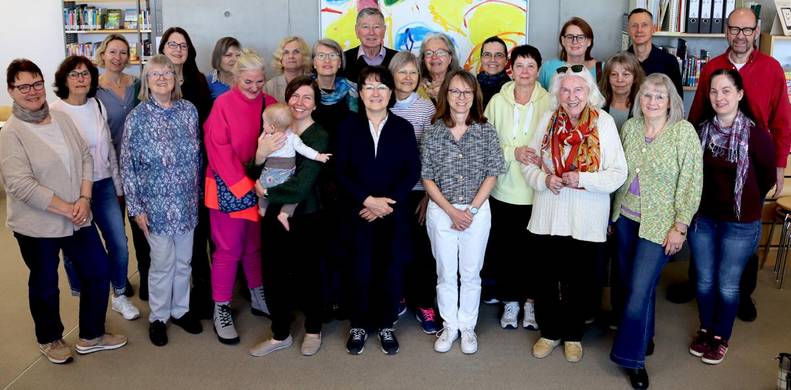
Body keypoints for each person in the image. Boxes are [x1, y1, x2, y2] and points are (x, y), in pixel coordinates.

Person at [0, 58, 127, 364]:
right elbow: (20, 185)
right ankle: (50, 338)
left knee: (98, 271)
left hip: (78, 217)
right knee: (45, 283)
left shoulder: (60, 119)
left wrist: (84, 199)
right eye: (24, 86)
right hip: (37, 225)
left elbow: (84, 156)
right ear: (11, 90)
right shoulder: (11, 134)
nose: (32, 91)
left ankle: (91, 335)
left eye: (37, 83)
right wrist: (67, 207)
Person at [672, 8, 791, 321]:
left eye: (747, 30)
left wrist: (778, 163)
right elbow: (697, 112)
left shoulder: (772, 68)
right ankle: (698, 283)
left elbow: (781, 120)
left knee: (743, 228)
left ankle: (742, 294)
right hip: (712, 158)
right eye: (734, 29)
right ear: (726, 31)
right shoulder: (712, 67)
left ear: (756, 31)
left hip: (755, 160)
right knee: (705, 221)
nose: (740, 36)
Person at [523, 65, 626, 364]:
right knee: (546, 278)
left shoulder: (603, 123)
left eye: (578, 89)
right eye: (565, 90)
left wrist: (582, 179)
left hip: (587, 217)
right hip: (549, 214)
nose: (571, 96)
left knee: (582, 281)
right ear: (557, 94)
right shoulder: (547, 120)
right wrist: (544, 180)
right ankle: (549, 332)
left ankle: (573, 335)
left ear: (589, 92)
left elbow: (618, 173)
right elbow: (529, 163)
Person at [610, 73, 702, 389]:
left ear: (670, 102)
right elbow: (618, 172)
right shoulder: (632, 128)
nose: (652, 102)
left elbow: (691, 183)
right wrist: (610, 215)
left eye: (659, 97)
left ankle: (632, 360)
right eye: (647, 95)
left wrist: (680, 226)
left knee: (638, 289)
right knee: (627, 285)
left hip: (660, 225)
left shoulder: (683, 133)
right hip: (624, 218)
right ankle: (644, 336)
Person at [688, 69, 775, 365]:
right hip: (704, 219)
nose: (719, 97)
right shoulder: (700, 131)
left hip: (740, 222)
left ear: (739, 94)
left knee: (727, 283)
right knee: (703, 280)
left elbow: (765, 178)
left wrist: (744, 201)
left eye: (726, 91)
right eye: (714, 91)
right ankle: (705, 327)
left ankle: (720, 336)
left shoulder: (757, 135)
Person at [335, 66, 421, 355]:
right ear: (360, 93)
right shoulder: (348, 126)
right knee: (358, 268)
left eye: (382, 87)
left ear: (391, 93)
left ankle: (386, 324)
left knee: (390, 268)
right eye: (369, 87)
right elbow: (340, 172)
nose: (375, 93)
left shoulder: (403, 128)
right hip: (357, 213)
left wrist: (385, 203)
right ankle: (358, 324)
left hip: (392, 213)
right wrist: (367, 200)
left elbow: (411, 171)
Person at [120, 54, 204, 346]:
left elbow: (198, 156)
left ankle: (181, 310)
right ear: (147, 81)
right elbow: (127, 165)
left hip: (186, 202)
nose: (161, 78)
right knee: (161, 264)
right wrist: (136, 208)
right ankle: (158, 317)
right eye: (154, 74)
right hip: (154, 206)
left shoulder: (188, 111)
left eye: (167, 73)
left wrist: (199, 196)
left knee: (184, 262)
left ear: (176, 78)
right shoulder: (138, 117)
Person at [50, 56, 140, 321]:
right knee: (77, 246)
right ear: (64, 80)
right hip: (73, 191)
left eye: (85, 74)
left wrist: (118, 183)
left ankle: (120, 294)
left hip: (103, 186)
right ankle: (84, 292)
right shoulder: (55, 111)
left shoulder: (97, 105)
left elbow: (109, 148)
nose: (80, 79)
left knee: (119, 243)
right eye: (74, 74)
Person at [422, 70, 506, 355]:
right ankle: (450, 326)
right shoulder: (433, 131)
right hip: (442, 211)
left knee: (471, 273)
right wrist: (450, 211)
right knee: (445, 272)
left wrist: (470, 210)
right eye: (455, 91)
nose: (461, 97)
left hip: (476, 211)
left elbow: (493, 173)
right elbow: (427, 177)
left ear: (475, 96)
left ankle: (467, 326)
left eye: (467, 92)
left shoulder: (486, 129)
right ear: (446, 94)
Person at [248, 76, 330, 357]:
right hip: (272, 215)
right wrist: (259, 155)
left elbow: (303, 184)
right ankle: (279, 332)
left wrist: (267, 193)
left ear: (315, 104)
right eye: (295, 96)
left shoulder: (317, 136)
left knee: (309, 273)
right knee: (273, 273)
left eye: (307, 97)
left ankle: (313, 329)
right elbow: (254, 170)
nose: (300, 102)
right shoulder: (273, 129)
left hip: (307, 215)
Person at [203, 49, 278, 345]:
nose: (255, 87)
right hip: (228, 187)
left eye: (260, 81)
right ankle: (221, 306)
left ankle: (259, 295)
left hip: (259, 186)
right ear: (236, 78)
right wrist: (246, 185)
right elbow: (218, 150)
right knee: (228, 249)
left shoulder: (270, 103)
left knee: (254, 247)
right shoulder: (222, 104)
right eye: (248, 81)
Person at [483, 44, 551, 331]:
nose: (525, 71)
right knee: (506, 250)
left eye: (531, 66)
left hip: (538, 191)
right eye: (519, 65)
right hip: (504, 189)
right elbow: (484, 142)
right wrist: (514, 151)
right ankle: (510, 301)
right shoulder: (498, 101)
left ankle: (531, 303)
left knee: (535, 253)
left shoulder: (551, 101)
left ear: (539, 70)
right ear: (511, 68)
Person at [159, 26, 214, 319]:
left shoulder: (199, 80)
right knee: (174, 241)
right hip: (167, 174)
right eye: (172, 44)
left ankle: (202, 296)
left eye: (183, 45)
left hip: (198, 167)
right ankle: (171, 300)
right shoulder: (156, 79)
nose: (178, 49)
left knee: (200, 233)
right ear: (163, 48)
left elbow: (207, 124)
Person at [387, 50, 438, 334]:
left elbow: (431, 155)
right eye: (402, 71)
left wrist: (430, 194)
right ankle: (397, 297)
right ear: (392, 74)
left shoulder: (426, 107)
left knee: (422, 251)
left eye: (413, 72)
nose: (408, 77)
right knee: (395, 249)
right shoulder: (382, 103)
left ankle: (424, 303)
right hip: (390, 192)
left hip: (420, 191)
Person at [94, 33, 145, 300]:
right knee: (116, 231)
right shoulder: (94, 89)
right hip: (109, 167)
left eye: (123, 52)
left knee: (141, 225)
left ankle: (145, 275)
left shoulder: (137, 84)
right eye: (113, 52)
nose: (118, 58)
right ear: (103, 55)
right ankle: (119, 279)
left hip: (138, 166)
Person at [254, 103, 331, 230]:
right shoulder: (291, 137)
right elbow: (305, 150)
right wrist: (319, 156)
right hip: (285, 176)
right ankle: (284, 214)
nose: (263, 126)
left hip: (268, 175)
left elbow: (261, 152)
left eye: (264, 123)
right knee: (293, 198)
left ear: (272, 126)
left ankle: (262, 209)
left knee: (262, 190)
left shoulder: (267, 137)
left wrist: (260, 147)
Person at [626, 8, 683, 96]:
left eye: (644, 25)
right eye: (634, 25)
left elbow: (677, 101)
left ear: (653, 29)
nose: (639, 30)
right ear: (628, 30)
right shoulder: (621, 62)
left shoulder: (669, 62)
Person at [311, 38, 359, 138]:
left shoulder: (352, 90)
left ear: (339, 63)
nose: (327, 60)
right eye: (321, 56)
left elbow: (357, 126)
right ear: (314, 63)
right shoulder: (304, 89)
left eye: (332, 55)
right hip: (311, 149)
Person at [537, 17, 601, 90]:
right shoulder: (548, 68)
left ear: (589, 41)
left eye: (580, 37)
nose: (574, 41)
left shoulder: (601, 69)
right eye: (570, 37)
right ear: (563, 40)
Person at [341, 7, 398, 82]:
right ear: (357, 31)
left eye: (376, 27)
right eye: (365, 27)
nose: (371, 32)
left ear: (384, 30)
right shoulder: (343, 60)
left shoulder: (397, 59)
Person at [600, 52, 646, 130]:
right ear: (608, 79)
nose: (620, 80)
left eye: (626, 74)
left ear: (635, 78)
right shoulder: (598, 106)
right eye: (614, 74)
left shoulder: (644, 108)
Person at [265, 36, 311, 102]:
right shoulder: (269, 87)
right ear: (280, 57)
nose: (291, 56)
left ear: (304, 56)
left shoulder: (314, 84)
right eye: (286, 52)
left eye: (296, 52)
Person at [418, 32, 461, 103]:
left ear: (450, 57)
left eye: (440, 52)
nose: (434, 57)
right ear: (423, 59)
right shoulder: (415, 83)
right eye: (428, 53)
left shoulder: (464, 84)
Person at [477, 36, 511, 108]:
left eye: (498, 55)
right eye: (487, 55)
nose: (492, 60)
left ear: (506, 61)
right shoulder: (471, 86)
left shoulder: (512, 90)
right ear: (481, 59)